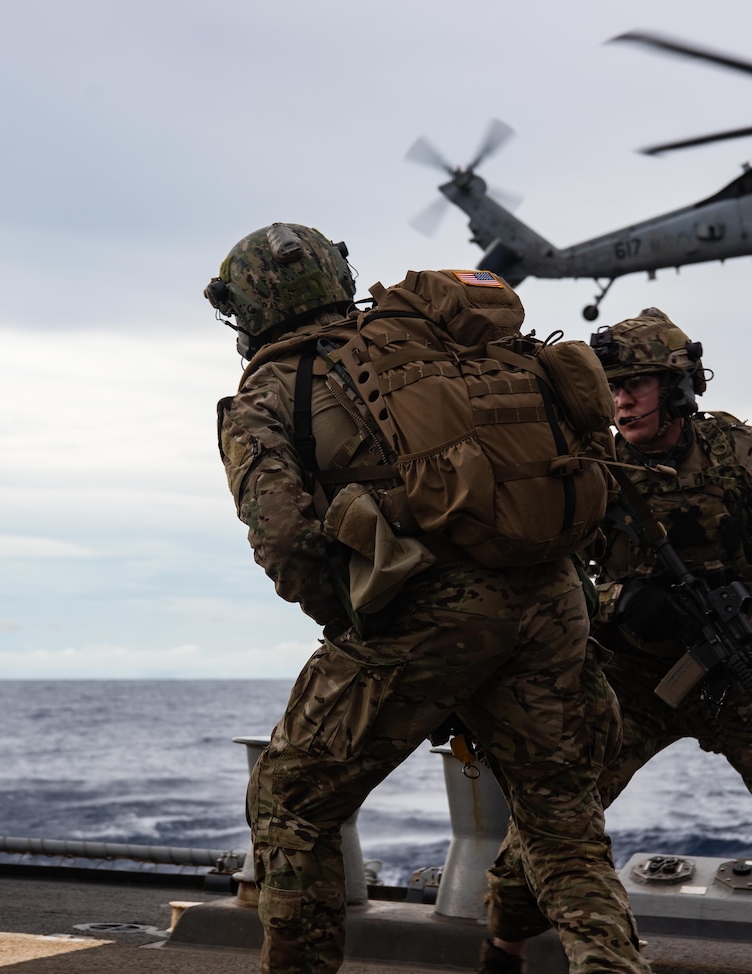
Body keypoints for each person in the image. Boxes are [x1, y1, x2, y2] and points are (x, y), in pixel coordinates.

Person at [209, 223, 649, 974]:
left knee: (290, 805)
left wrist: (359, 619)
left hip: (424, 615)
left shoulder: (271, 391)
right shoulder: (427, 350)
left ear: (250, 306)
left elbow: (282, 538)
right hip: (548, 599)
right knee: (561, 821)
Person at [482, 308, 752, 974]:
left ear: (681, 388)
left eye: (638, 382)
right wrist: (616, 601)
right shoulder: (586, 465)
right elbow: (536, 565)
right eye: (610, 384)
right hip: (629, 677)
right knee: (554, 819)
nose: (622, 399)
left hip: (743, 669)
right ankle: (503, 949)